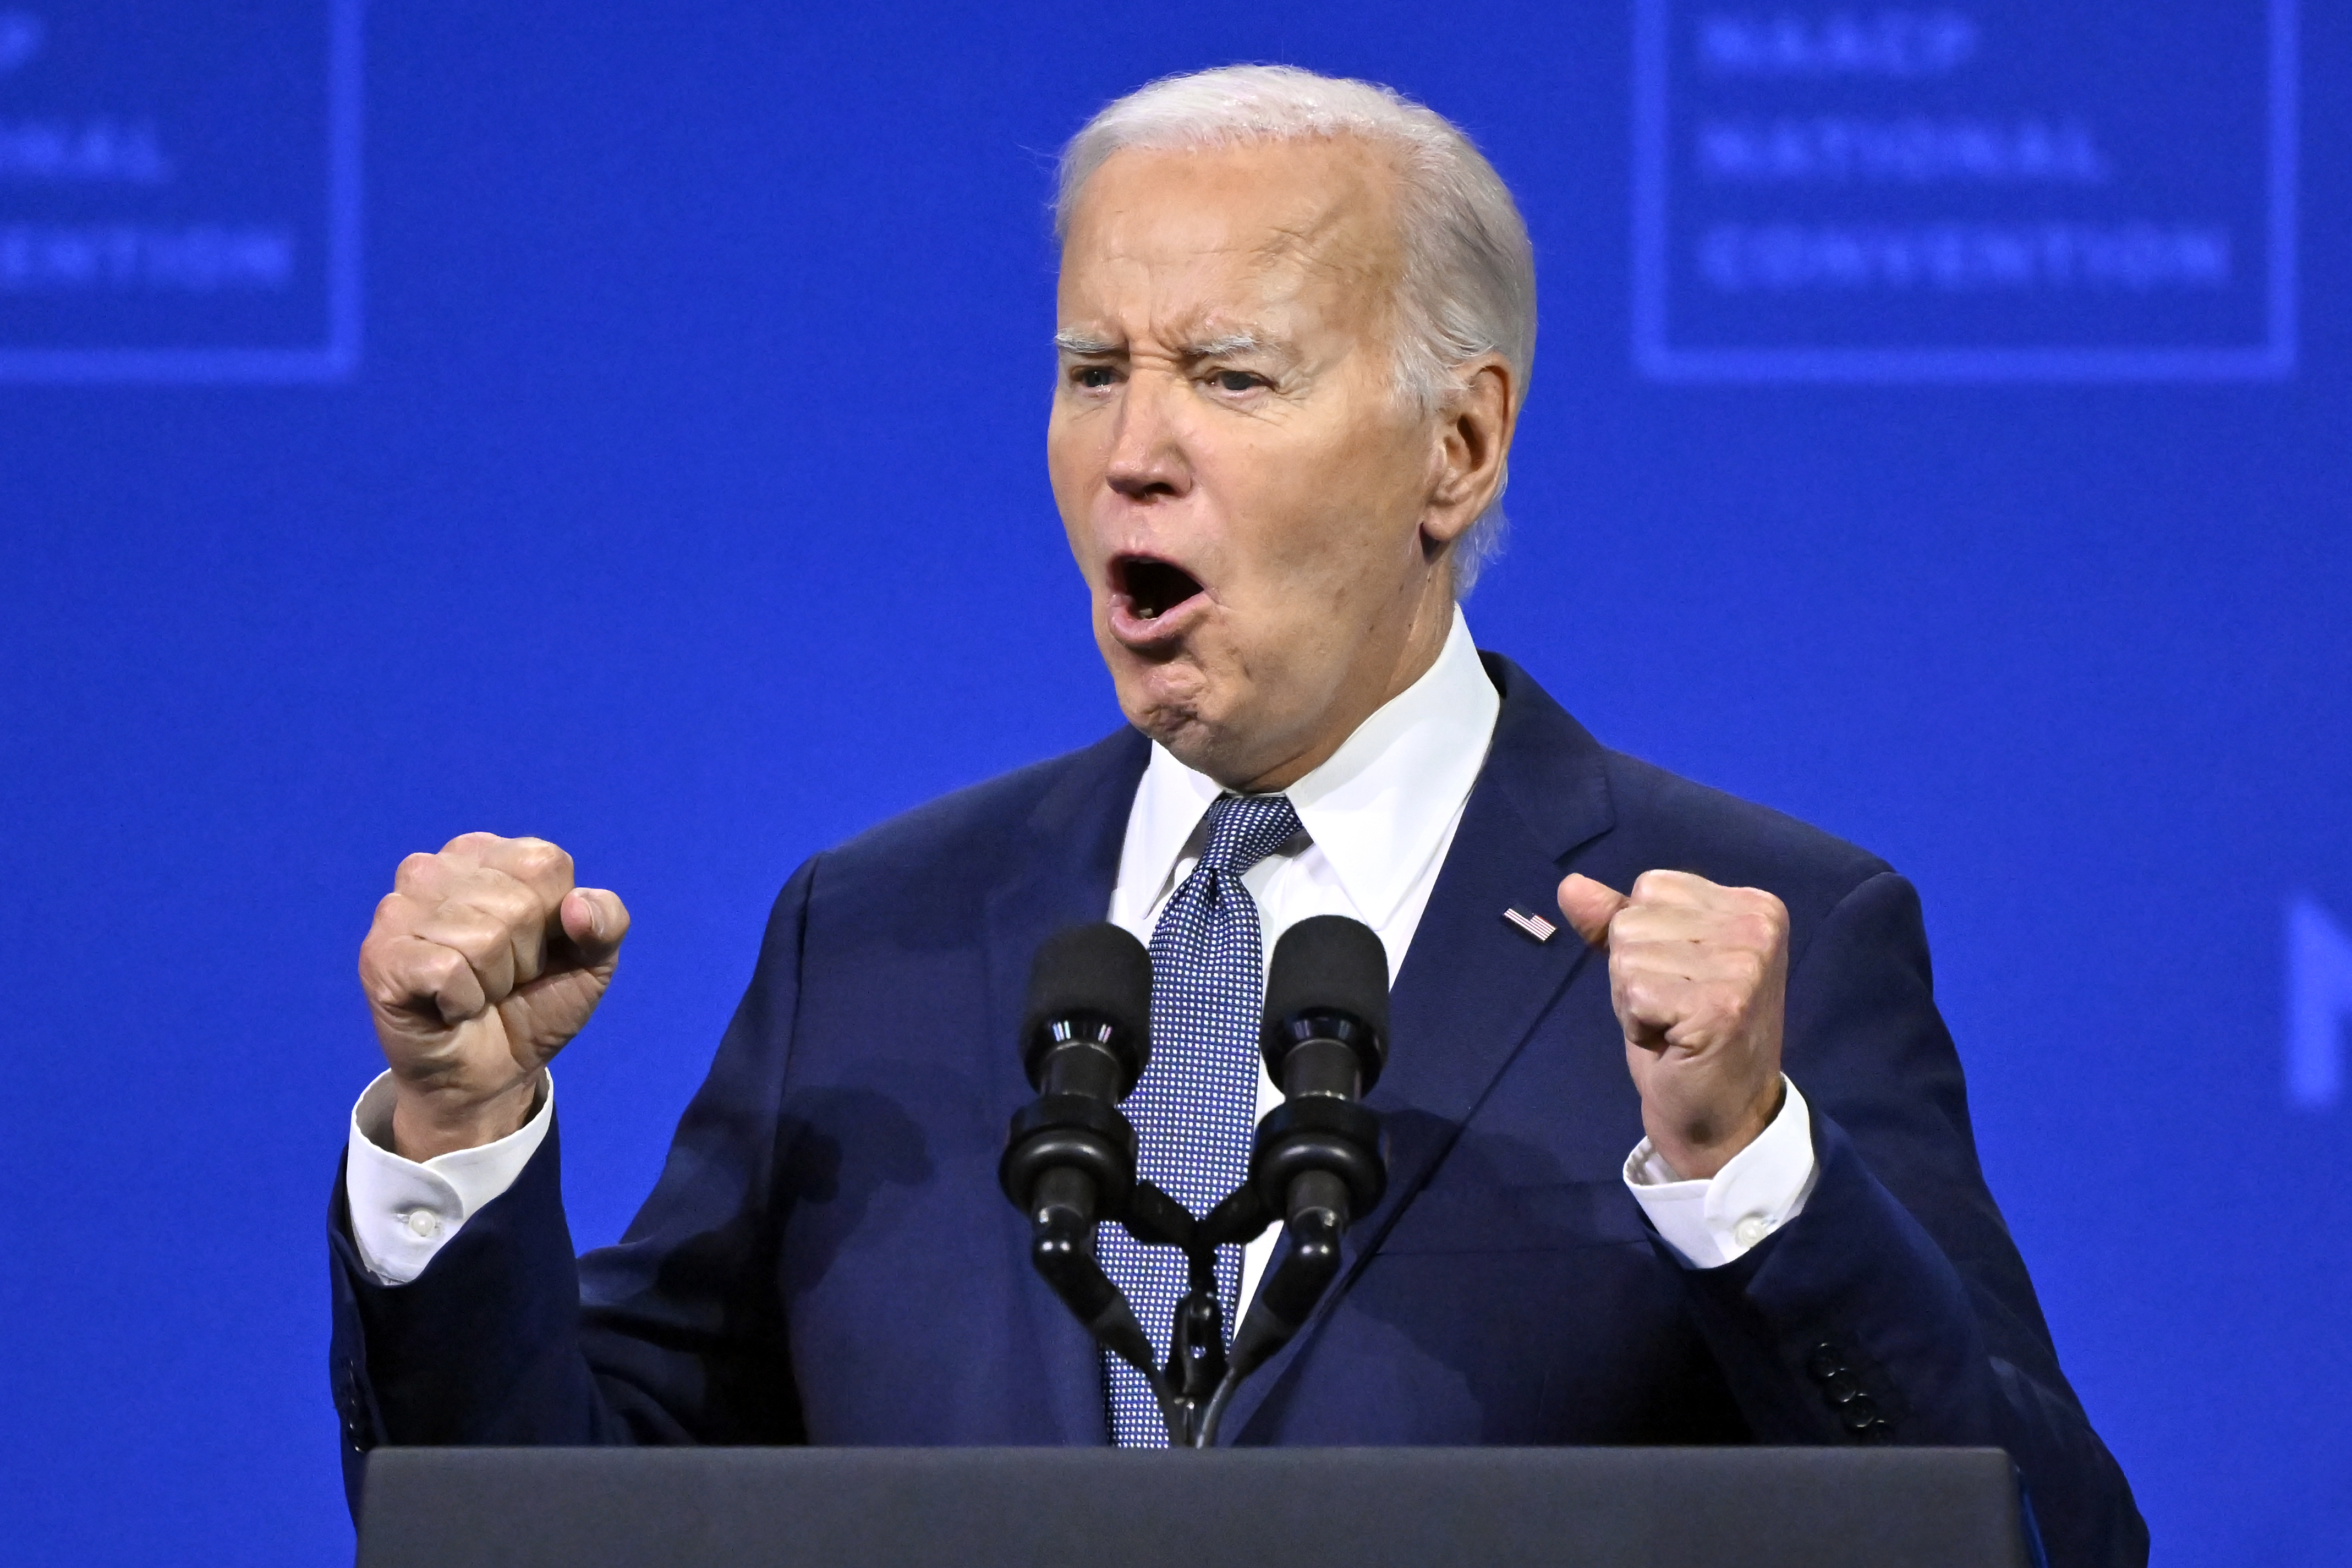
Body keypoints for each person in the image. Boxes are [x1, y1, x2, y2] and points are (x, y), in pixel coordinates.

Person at [329, 65, 2145, 1566]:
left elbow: (2037, 1539)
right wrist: (463, 1137)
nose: (1133, 448)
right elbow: (536, 1529)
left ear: (1459, 447)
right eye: (1092, 370)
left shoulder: (1761, 938)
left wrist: (1752, 1171)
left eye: (1228, 374)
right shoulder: (869, 931)